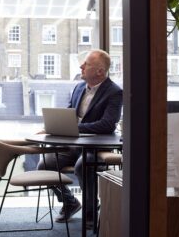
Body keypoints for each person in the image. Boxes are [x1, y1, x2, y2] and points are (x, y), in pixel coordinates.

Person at [37, 49, 123, 224]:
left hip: (96, 146)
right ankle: (70, 202)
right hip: (74, 144)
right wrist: (55, 126)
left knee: (82, 166)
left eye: (87, 64)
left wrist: (75, 128)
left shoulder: (114, 92)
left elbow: (107, 125)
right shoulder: (78, 88)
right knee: (45, 164)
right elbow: (69, 115)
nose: (81, 66)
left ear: (100, 71)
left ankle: (91, 210)